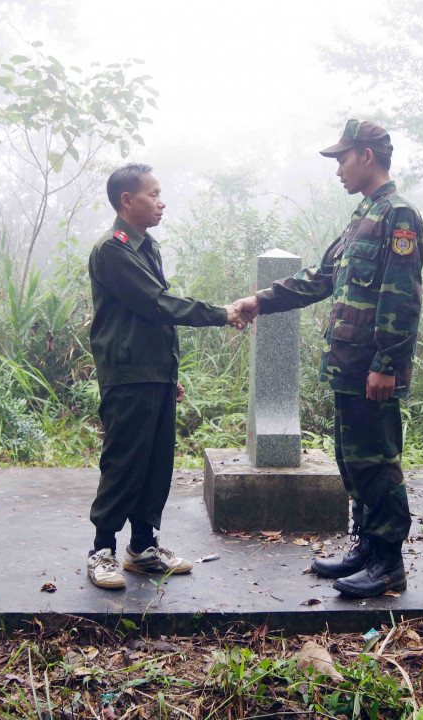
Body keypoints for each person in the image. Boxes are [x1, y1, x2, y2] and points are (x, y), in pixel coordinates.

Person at [234, 119, 423, 598]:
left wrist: (385, 362)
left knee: (378, 461)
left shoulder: (399, 215)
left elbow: (401, 297)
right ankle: (364, 548)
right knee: (353, 459)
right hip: (348, 366)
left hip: (371, 368)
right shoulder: (364, 215)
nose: (337, 169)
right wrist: (261, 300)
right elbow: (320, 277)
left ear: (366, 155)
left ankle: (388, 562)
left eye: (341, 159)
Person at [86, 163, 241, 590]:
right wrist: (221, 314)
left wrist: (168, 373)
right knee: (124, 463)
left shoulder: (145, 247)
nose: (162, 201)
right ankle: (102, 550)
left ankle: (142, 547)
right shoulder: (113, 250)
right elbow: (157, 304)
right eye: (153, 194)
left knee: (156, 464)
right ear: (126, 201)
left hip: (152, 373)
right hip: (127, 375)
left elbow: (157, 320)